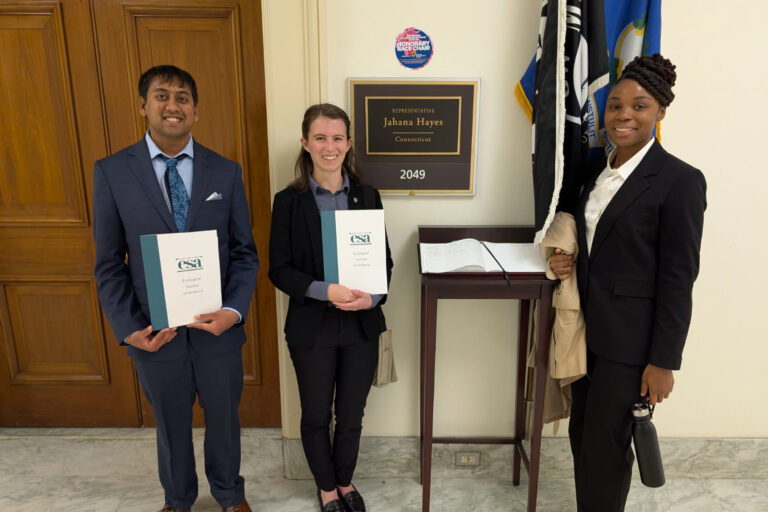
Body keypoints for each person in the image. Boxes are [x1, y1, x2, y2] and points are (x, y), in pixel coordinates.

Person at [93, 65, 258, 512]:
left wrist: (233, 311)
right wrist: (130, 329)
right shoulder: (112, 173)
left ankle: (229, 495)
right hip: (155, 331)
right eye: (162, 96)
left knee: (224, 419)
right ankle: (178, 499)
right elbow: (109, 263)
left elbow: (245, 253)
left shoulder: (224, 172)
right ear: (143, 106)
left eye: (183, 97)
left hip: (217, 329)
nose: (173, 105)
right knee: (170, 423)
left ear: (195, 111)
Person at [549, 54, 707, 511]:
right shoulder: (597, 171)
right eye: (615, 105)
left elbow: (679, 278)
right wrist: (568, 262)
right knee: (584, 435)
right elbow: (598, 242)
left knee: (606, 447)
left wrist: (663, 361)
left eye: (639, 106)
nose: (623, 115)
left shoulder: (679, 180)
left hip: (632, 344)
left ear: (660, 112)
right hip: (587, 331)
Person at [268, 103, 393, 512]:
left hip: (361, 327)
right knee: (317, 413)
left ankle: (345, 482)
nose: (329, 146)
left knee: (352, 416)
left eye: (337, 137)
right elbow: (279, 270)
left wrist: (370, 296)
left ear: (349, 143)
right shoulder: (288, 201)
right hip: (311, 327)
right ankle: (326, 489)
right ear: (305, 143)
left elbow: (384, 263)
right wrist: (327, 291)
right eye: (320, 137)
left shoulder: (368, 196)